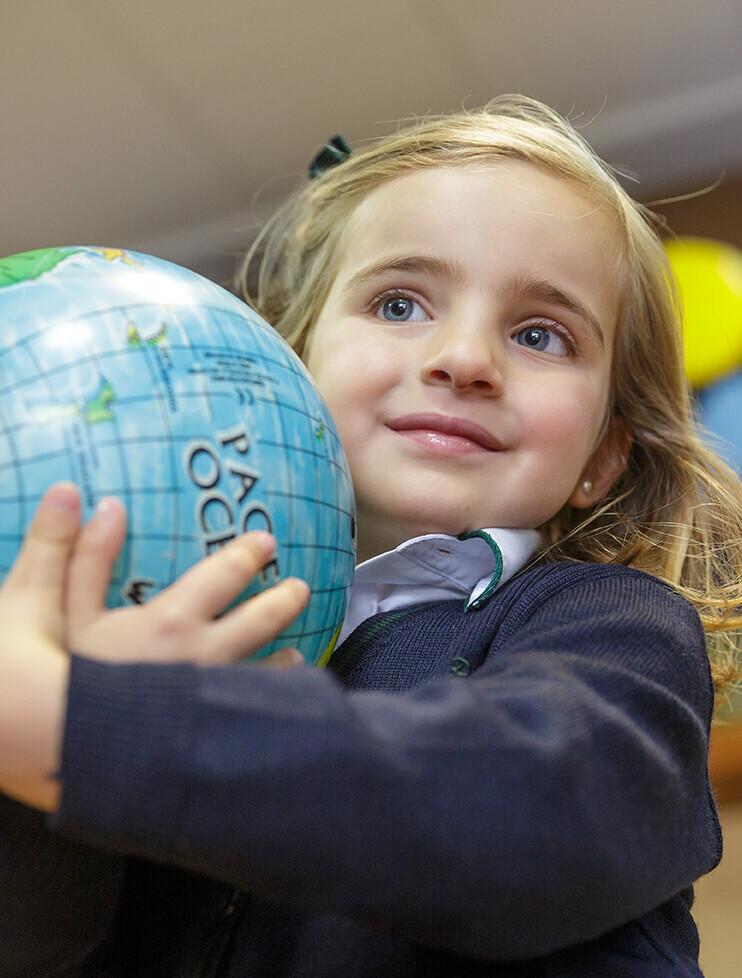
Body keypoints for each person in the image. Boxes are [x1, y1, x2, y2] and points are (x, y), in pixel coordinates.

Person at [1, 95, 741, 978]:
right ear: (290, 363)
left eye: (540, 334)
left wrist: (88, 725)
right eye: (398, 305)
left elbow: (537, 814)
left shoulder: (613, 623)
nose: (464, 357)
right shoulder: (187, 630)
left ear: (603, 457)